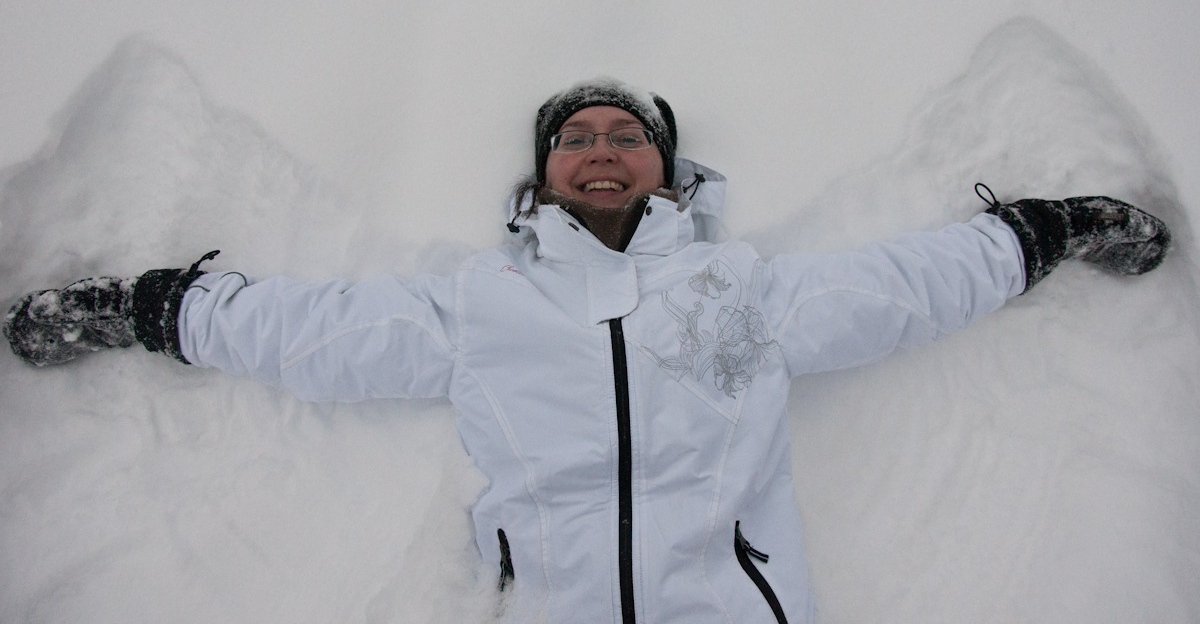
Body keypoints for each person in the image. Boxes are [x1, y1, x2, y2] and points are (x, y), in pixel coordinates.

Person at [4, 78, 1172, 623]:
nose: (601, 147)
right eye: (575, 136)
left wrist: (1042, 231)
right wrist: (149, 308)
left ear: (668, 169)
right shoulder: (485, 304)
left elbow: (905, 287)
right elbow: (315, 330)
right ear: (545, 174)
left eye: (626, 135)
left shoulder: (738, 290)